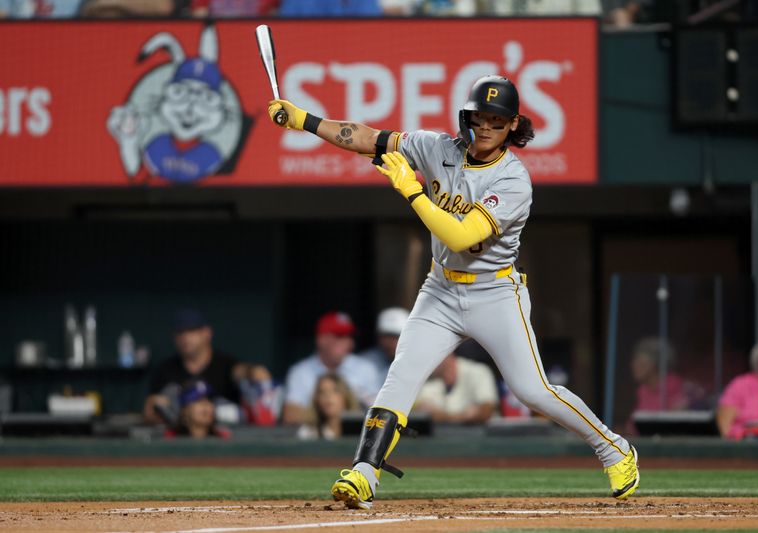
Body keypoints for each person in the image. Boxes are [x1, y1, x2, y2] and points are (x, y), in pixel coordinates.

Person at [268, 74, 640, 509]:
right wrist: (303, 120)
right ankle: (365, 473)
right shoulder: (437, 147)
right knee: (401, 373)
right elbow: (367, 137)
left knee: (532, 390)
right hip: (440, 288)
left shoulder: (514, 180)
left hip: (495, 292)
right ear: (467, 116)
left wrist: (412, 191)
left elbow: (462, 235)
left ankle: (614, 448)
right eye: (479, 117)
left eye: (497, 121)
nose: (486, 127)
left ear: (513, 125)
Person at [143, 309, 273, 426]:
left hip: (226, 440)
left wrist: (252, 371)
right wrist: (154, 409)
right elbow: (152, 412)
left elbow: (240, 371)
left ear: (207, 333)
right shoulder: (165, 370)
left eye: (192, 331)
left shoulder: (226, 364)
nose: (185, 337)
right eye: (180, 332)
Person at [282, 311, 382, 425]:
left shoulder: (366, 369)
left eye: (349, 337)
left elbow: (379, 414)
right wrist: (331, 414)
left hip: (357, 436)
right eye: (340, 336)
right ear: (321, 339)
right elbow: (290, 415)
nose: (348, 342)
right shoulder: (300, 372)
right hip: (316, 438)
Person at [413, 352, 498, 424]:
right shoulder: (429, 380)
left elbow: (486, 411)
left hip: (481, 439)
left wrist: (442, 416)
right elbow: (420, 413)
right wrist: (461, 417)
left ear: (448, 353)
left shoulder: (478, 371)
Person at [297, 373, 362, 441]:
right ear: (316, 400)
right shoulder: (308, 432)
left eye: (335, 391)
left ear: (346, 396)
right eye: (322, 392)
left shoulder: (363, 431)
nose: (328, 396)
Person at [359, 307, 410, 383]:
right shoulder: (363, 362)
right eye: (387, 336)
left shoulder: (419, 361)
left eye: (396, 336)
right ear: (378, 337)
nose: (391, 342)